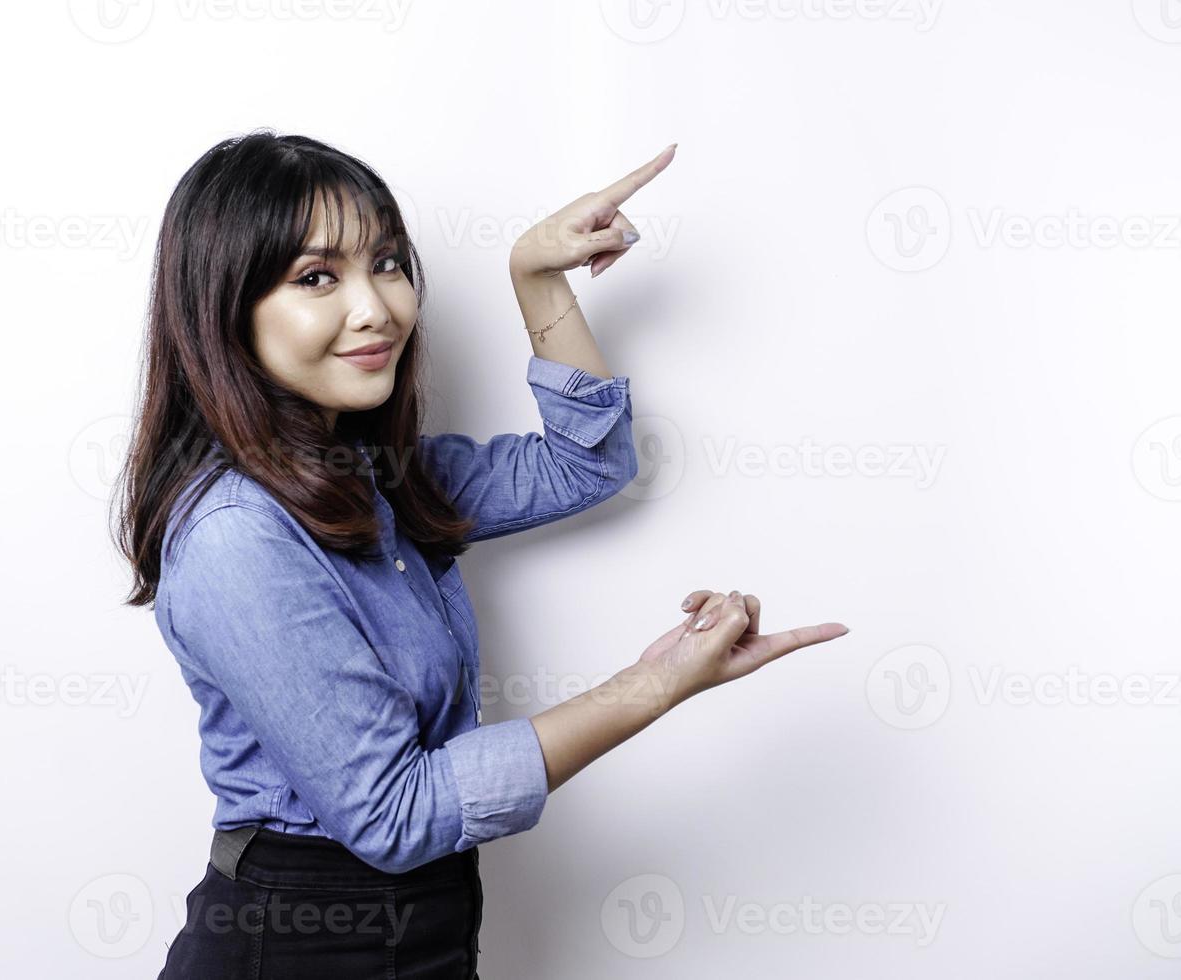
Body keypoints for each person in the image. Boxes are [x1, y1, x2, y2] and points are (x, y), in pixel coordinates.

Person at [114, 130, 849, 979]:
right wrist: (657, 685)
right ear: (223, 310)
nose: (376, 308)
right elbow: (394, 814)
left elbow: (587, 461)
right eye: (317, 278)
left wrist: (536, 277)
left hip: (419, 923)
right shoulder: (236, 533)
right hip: (300, 942)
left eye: (387, 263)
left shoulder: (374, 474)